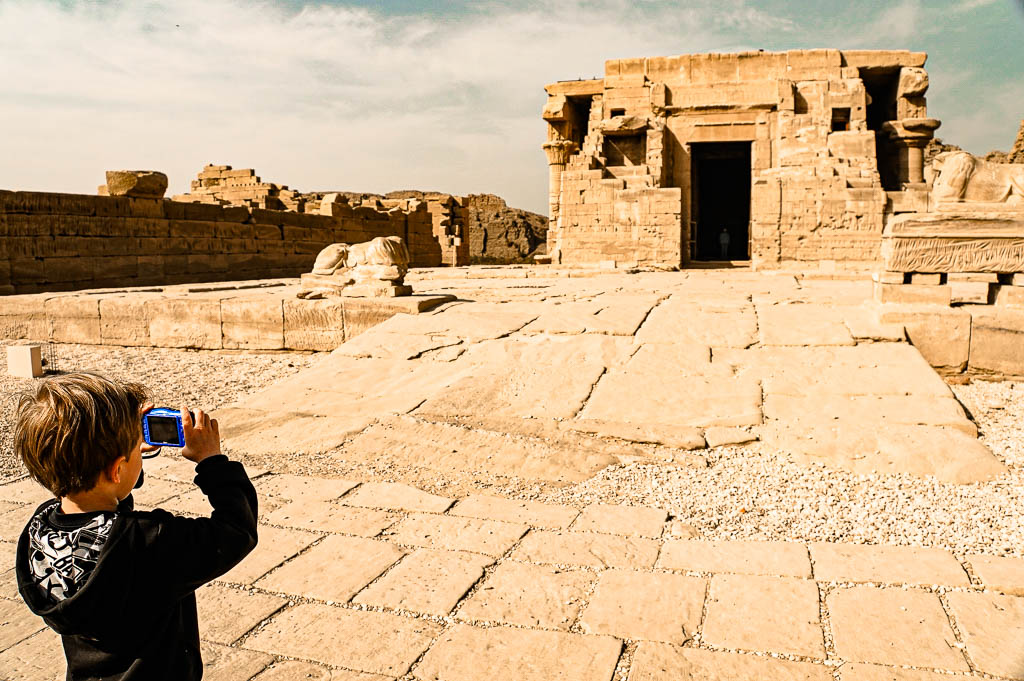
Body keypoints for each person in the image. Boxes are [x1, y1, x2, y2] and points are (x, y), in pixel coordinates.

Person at [13, 372, 258, 680]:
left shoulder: (39, 530)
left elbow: (103, 522)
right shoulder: (152, 542)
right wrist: (212, 462)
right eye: (132, 451)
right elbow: (236, 531)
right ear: (117, 469)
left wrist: (125, 454)